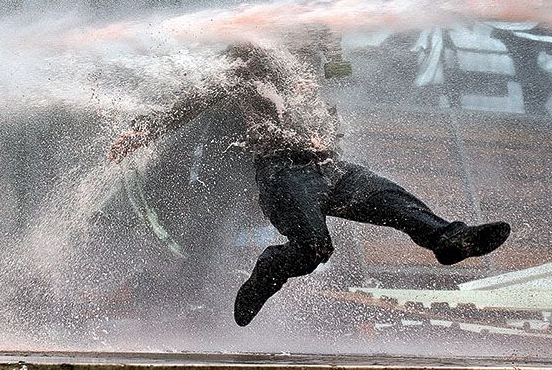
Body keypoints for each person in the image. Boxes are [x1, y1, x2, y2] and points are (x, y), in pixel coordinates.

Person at [109, 42, 510, 327]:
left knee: (392, 200)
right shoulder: (240, 75)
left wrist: (329, 115)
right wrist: (140, 132)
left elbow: (331, 101)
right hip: (283, 175)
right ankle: (269, 269)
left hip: (330, 168)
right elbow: (187, 105)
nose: (297, 59)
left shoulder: (303, 81)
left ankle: (448, 240)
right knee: (316, 249)